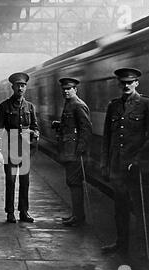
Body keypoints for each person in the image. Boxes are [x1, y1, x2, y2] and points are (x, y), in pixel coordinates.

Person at [100, 68, 149, 254]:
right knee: (120, 208)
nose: (126, 85)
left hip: (137, 168)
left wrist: (137, 160)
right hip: (118, 167)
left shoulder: (146, 104)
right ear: (118, 84)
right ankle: (121, 244)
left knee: (141, 209)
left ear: (136, 83)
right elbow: (107, 137)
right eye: (123, 82)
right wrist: (106, 163)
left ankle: (144, 247)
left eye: (130, 82)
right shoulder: (114, 106)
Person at [0, 72, 40, 223]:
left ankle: (24, 212)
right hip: (10, 148)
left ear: (26, 87)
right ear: (12, 87)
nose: (20, 88)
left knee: (25, 182)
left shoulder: (30, 107)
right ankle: (10, 212)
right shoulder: (4, 106)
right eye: (18, 85)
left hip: (25, 149)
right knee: (11, 181)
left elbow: (35, 126)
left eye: (23, 85)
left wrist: (35, 133)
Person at [51, 78, 92, 227]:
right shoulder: (69, 104)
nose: (66, 91)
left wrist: (80, 150)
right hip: (69, 150)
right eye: (64, 89)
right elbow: (71, 125)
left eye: (69, 89)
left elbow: (86, 130)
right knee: (72, 182)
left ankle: (78, 217)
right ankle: (76, 215)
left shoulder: (78, 105)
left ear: (76, 89)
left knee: (74, 183)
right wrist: (60, 125)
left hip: (75, 152)